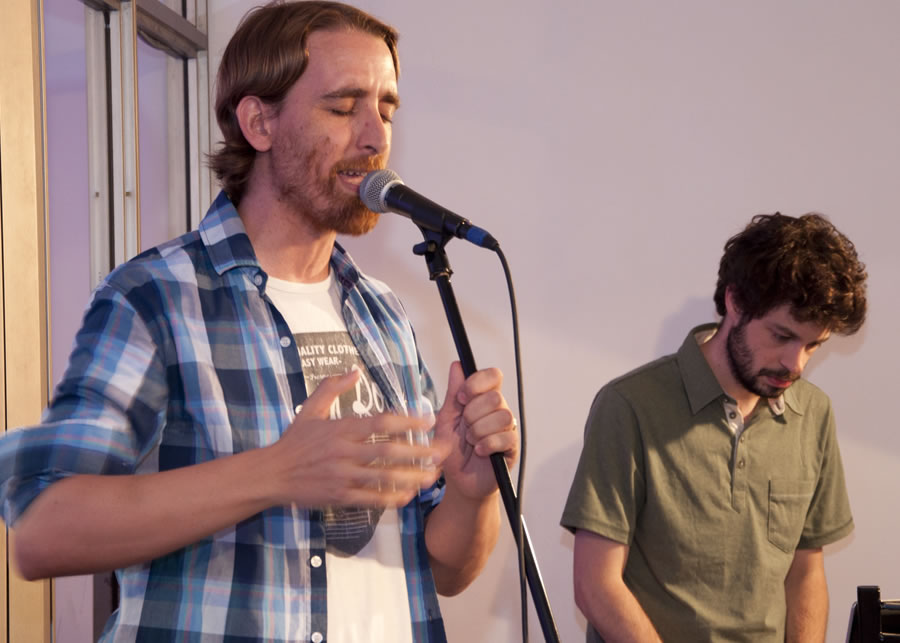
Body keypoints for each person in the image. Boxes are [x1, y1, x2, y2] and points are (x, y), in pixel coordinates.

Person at [0, 2, 518, 641]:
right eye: (343, 107)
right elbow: (44, 530)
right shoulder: (155, 298)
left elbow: (444, 569)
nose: (375, 137)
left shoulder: (382, 312)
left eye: (386, 109)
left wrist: (471, 492)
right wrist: (278, 471)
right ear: (259, 122)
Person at [561, 212, 867, 643]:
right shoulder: (630, 406)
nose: (796, 364)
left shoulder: (813, 413)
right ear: (735, 302)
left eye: (813, 345)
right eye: (782, 336)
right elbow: (596, 585)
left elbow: (805, 572)